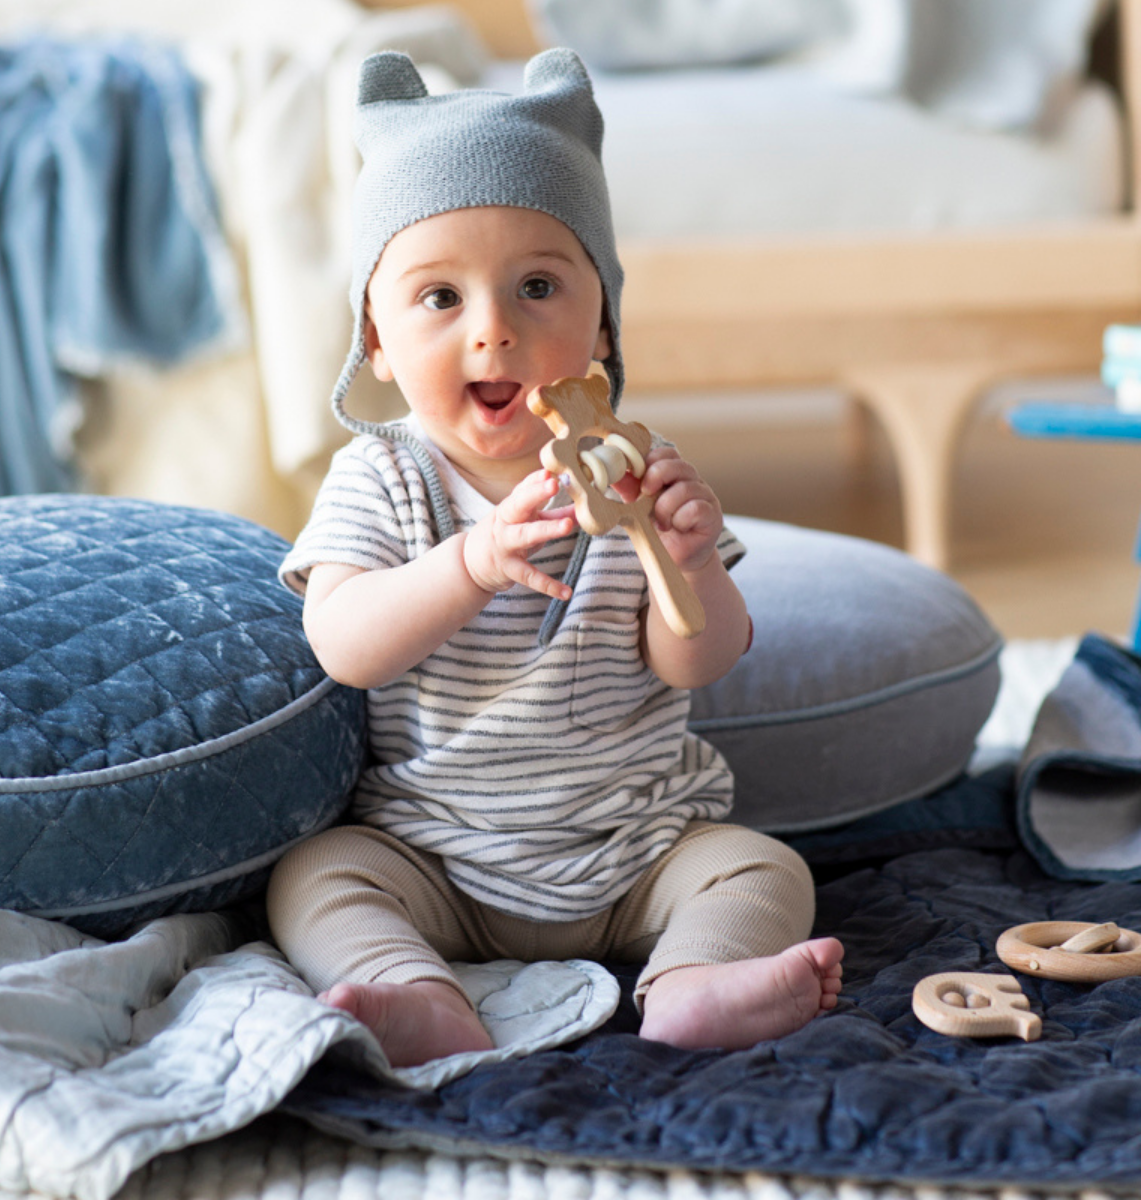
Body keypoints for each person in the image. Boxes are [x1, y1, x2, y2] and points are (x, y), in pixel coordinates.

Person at [267, 47, 843, 1069]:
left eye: (537, 286)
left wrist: (691, 564)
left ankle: (693, 985)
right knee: (316, 876)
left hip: (638, 848)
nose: (493, 332)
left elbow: (698, 661)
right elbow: (344, 644)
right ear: (378, 343)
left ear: (603, 327)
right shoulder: (382, 478)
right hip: (436, 856)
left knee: (763, 869)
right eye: (440, 298)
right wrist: (471, 565)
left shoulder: (638, 468)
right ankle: (420, 996)